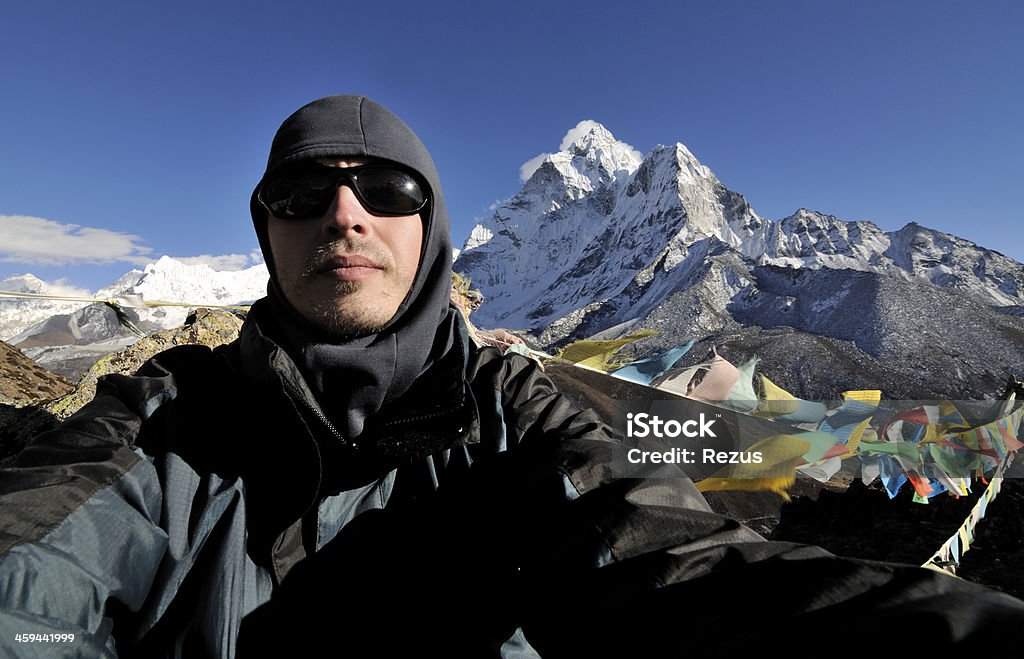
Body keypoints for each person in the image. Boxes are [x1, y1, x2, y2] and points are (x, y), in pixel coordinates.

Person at [2, 95, 1023, 658]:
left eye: (385, 189)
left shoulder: (515, 416)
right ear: (268, 232)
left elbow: (670, 567)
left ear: (434, 233)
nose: (343, 214)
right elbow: (32, 579)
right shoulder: (155, 418)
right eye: (302, 191)